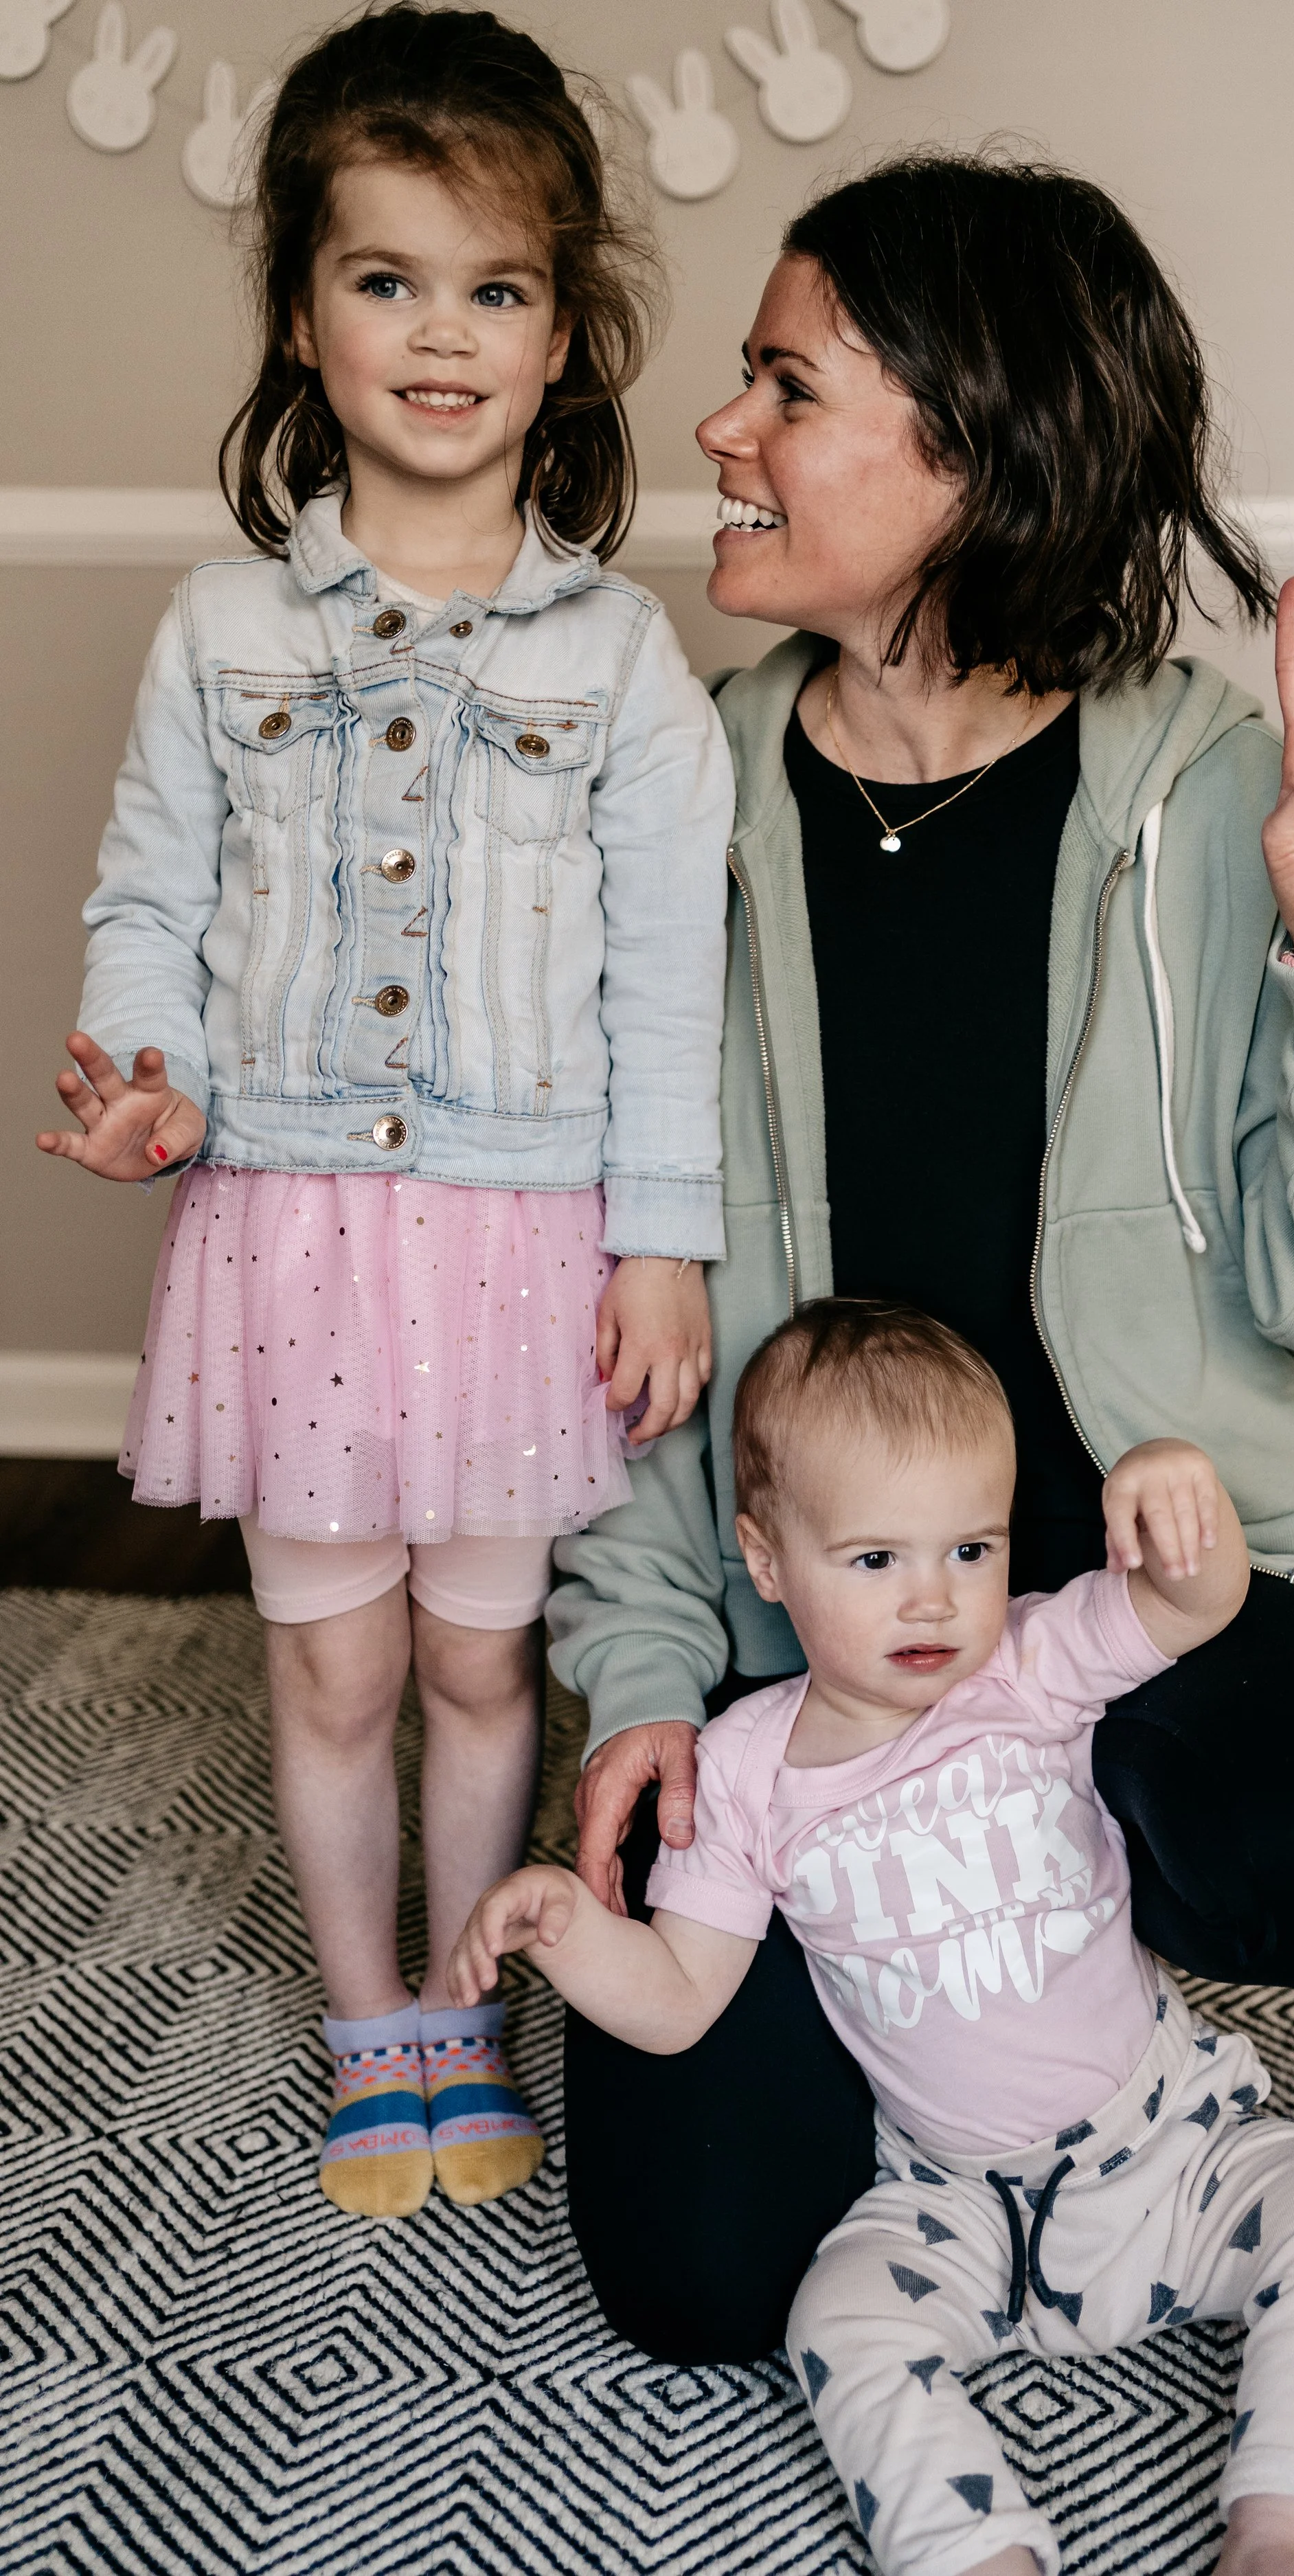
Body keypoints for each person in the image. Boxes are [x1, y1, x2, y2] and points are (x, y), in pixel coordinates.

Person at [549, 153, 1294, 2360]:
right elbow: (612, 1300)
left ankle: (1039, 1905)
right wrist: (640, 1687)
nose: (720, 431)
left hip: (1127, 1593)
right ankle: (927, 1927)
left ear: (971, 455)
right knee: (705, 2278)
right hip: (804, 1643)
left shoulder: (1207, 795)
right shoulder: (669, 808)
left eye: (781, 385)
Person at [36, 6, 733, 2219]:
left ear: (565, 339)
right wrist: (149, 1080)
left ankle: (467, 2003)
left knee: (475, 1647)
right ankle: (372, 2032)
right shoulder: (219, 624)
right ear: (302, 313)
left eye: (497, 287)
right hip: (295, 1224)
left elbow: (664, 973)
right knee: (333, 1658)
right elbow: (146, 893)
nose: (443, 333)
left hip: (526, 1234)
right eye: (388, 276)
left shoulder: (619, 659)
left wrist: (662, 1231)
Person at [459, 1302, 1294, 2576]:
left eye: (970, 1546)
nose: (933, 1596)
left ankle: (1285, 2527)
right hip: (951, 2200)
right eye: (874, 1560)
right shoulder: (745, 1771)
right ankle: (972, 2551)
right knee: (836, 2321)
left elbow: (1193, 1608)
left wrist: (1184, 1496)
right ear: (766, 1558)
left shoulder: (1028, 1663)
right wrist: (572, 1931)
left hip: (1167, 2145)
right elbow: (683, 1995)